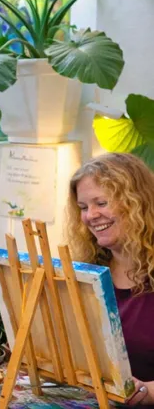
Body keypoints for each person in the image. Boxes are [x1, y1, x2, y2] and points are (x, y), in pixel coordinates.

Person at [67, 153, 154, 406]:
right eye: (83, 207)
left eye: (101, 203)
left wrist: (147, 392)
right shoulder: (86, 272)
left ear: (137, 202)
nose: (91, 216)